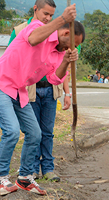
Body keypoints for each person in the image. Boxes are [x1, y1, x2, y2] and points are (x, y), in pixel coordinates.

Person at [0, 2, 83, 196]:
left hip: (19, 91)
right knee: (11, 131)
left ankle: (25, 177)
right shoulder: (36, 27)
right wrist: (62, 19)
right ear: (65, 34)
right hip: (0, 85)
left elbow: (55, 78)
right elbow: (33, 39)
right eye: (75, 44)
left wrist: (66, 60)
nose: (75, 48)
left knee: (35, 133)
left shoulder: (58, 53)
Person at [8, 0, 73, 183]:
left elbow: (62, 65)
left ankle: (48, 168)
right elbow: (13, 57)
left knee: (47, 131)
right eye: (46, 14)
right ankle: (32, 168)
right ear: (35, 9)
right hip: (30, 90)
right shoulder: (20, 30)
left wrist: (67, 93)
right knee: (33, 132)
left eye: (52, 15)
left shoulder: (54, 31)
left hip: (50, 89)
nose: (48, 18)